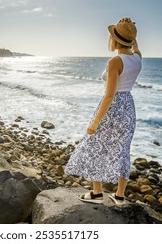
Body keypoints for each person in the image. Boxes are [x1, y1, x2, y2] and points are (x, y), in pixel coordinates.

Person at [65, 17, 142, 205]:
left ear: (115, 40)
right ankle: (120, 196)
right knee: (123, 151)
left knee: (94, 147)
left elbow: (109, 96)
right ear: (131, 40)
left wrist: (95, 122)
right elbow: (136, 47)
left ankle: (97, 193)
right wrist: (130, 33)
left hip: (113, 108)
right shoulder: (138, 58)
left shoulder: (115, 61)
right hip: (129, 108)